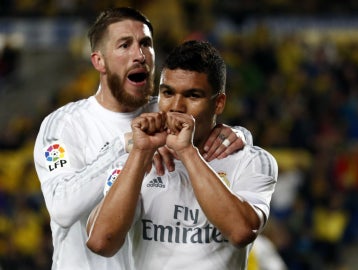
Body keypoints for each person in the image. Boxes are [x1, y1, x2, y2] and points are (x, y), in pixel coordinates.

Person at [33, 7, 249, 270]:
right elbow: (62, 208)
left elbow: (211, 123)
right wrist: (122, 147)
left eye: (145, 44)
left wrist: (238, 134)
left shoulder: (167, 110)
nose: (139, 55)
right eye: (125, 45)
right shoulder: (66, 125)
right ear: (98, 61)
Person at [86, 40, 278, 269]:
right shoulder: (136, 160)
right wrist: (140, 153)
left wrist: (187, 151)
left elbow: (241, 231)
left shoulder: (252, 161)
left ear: (218, 103)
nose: (176, 106)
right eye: (168, 93)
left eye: (193, 96)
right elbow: (100, 243)